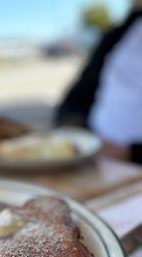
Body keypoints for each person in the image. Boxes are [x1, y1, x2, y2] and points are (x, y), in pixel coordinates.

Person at [55, 1, 142, 163]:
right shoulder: (118, 35)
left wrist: (131, 153)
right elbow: (77, 97)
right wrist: (75, 131)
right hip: (92, 157)